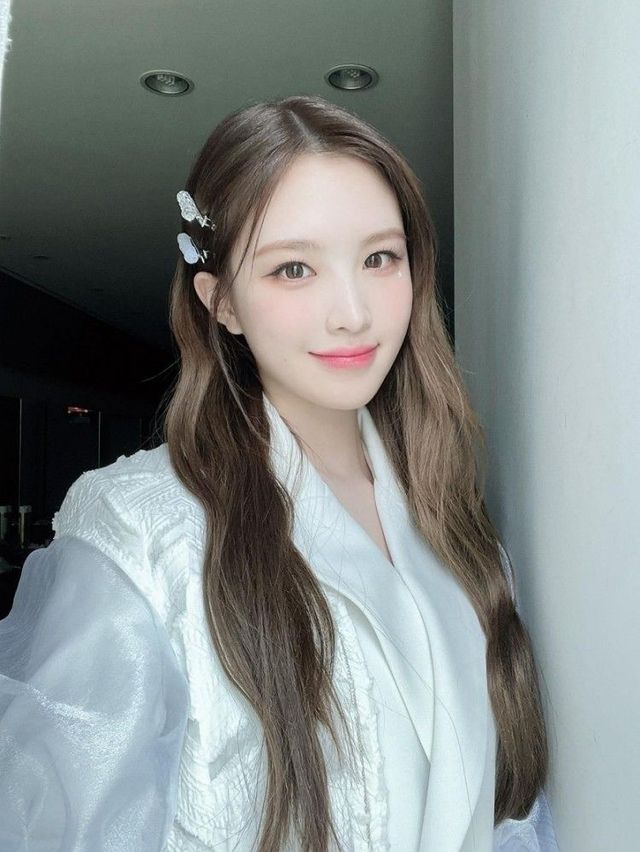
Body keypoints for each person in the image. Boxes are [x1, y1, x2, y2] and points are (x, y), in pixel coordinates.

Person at [0, 94, 559, 851]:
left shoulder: (450, 517)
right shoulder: (143, 529)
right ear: (222, 302)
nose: (352, 312)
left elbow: (507, 815)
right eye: (294, 268)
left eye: (380, 258)